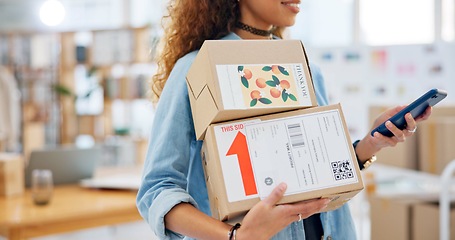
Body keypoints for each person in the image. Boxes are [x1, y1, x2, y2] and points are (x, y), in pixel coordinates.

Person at [136, 0, 432, 239]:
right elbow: (157, 191)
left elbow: (318, 172)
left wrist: (370, 143)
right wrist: (235, 237)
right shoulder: (195, 69)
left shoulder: (307, 68)